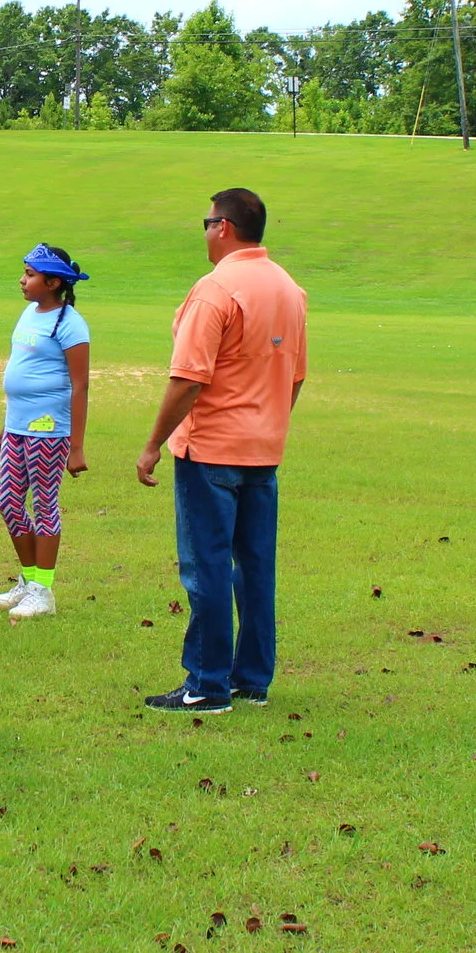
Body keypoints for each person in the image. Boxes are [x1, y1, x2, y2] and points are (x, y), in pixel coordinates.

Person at [134, 188, 307, 714]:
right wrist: (267, 421)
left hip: (210, 450)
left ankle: (207, 684)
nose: (205, 232)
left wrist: (151, 445)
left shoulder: (216, 290)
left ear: (224, 228)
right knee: (254, 567)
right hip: (263, 450)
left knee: (205, 567)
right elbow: (295, 376)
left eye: (206, 222)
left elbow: (187, 379)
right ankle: (251, 679)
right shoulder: (289, 289)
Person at [0, 242, 91, 618]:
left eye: (30, 275)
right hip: (18, 425)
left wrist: (76, 446)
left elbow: (80, 386)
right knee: (8, 501)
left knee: (44, 504)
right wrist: (6, 424)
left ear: (52, 283)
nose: (22, 280)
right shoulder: (29, 313)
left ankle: (43, 591)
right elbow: (20, 373)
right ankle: (30, 580)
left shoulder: (70, 325)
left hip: (49, 428)